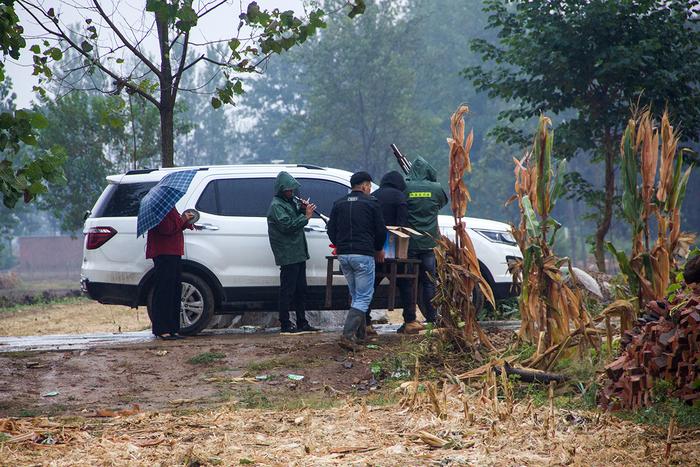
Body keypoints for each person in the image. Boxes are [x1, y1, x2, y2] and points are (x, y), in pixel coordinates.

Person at [327, 171, 387, 351]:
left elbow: (331, 230)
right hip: (363, 255)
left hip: (344, 255)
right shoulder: (372, 204)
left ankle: (360, 336)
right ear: (364, 186)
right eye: (369, 186)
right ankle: (347, 336)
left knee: (355, 294)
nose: (370, 189)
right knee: (363, 296)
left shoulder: (338, 204)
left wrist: (340, 244)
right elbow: (381, 231)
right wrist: (377, 248)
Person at [369, 171, 423, 335]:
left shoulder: (373, 196)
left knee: (370, 286)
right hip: (395, 251)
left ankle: (365, 323)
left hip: (375, 251)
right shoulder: (400, 197)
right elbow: (402, 225)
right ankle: (410, 321)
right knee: (405, 285)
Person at [267, 171, 321, 335]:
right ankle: (285, 323)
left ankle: (302, 322)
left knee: (301, 289)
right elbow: (287, 226)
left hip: (298, 252)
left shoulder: (289, 202)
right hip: (288, 254)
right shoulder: (277, 206)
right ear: (282, 190)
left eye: (293, 190)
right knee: (288, 290)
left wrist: (302, 208)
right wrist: (306, 217)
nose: (292, 193)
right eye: (289, 190)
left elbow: (294, 215)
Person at [404, 157, 448, 325]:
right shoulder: (436, 188)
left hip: (410, 243)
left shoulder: (406, 187)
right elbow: (442, 203)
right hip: (429, 243)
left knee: (408, 281)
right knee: (429, 281)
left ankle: (410, 319)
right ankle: (432, 317)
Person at [146, 208, 195, 340]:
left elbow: (175, 226)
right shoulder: (159, 208)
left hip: (173, 252)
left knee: (174, 290)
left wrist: (185, 221)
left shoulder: (170, 207)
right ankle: (162, 329)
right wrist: (182, 219)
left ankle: (173, 328)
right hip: (164, 253)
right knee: (164, 290)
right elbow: (166, 229)